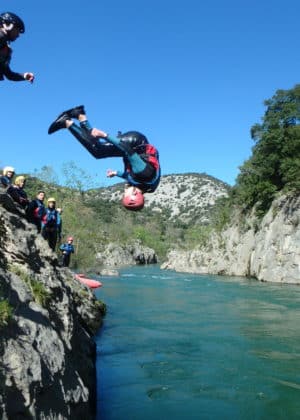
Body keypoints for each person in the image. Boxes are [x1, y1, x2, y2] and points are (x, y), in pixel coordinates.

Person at [48, 105, 161, 210]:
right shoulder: (145, 173)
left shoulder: (146, 186)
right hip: (134, 142)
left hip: (136, 147)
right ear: (135, 193)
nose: (124, 191)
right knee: (98, 150)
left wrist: (116, 173)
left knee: (98, 151)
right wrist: (105, 136)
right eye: (125, 193)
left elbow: (130, 177)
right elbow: (127, 150)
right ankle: (66, 122)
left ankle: (80, 115)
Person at [0, 12, 34, 83]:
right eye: (17, 30)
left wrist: (24, 76)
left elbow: (9, 74)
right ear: (7, 25)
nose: (18, 35)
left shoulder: (5, 49)